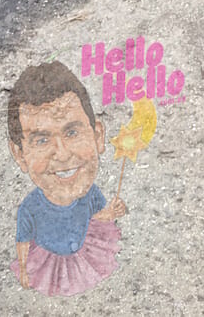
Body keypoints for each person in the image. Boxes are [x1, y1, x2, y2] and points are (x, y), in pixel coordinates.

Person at [7, 60, 126, 296]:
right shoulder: (29, 208)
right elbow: (23, 242)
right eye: (41, 140)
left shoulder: (92, 194)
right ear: (19, 155)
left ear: (98, 136)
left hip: (83, 257)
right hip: (47, 263)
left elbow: (98, 222)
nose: (62, 154)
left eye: (72, 132)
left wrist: (111, 212)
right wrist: (23, 268)